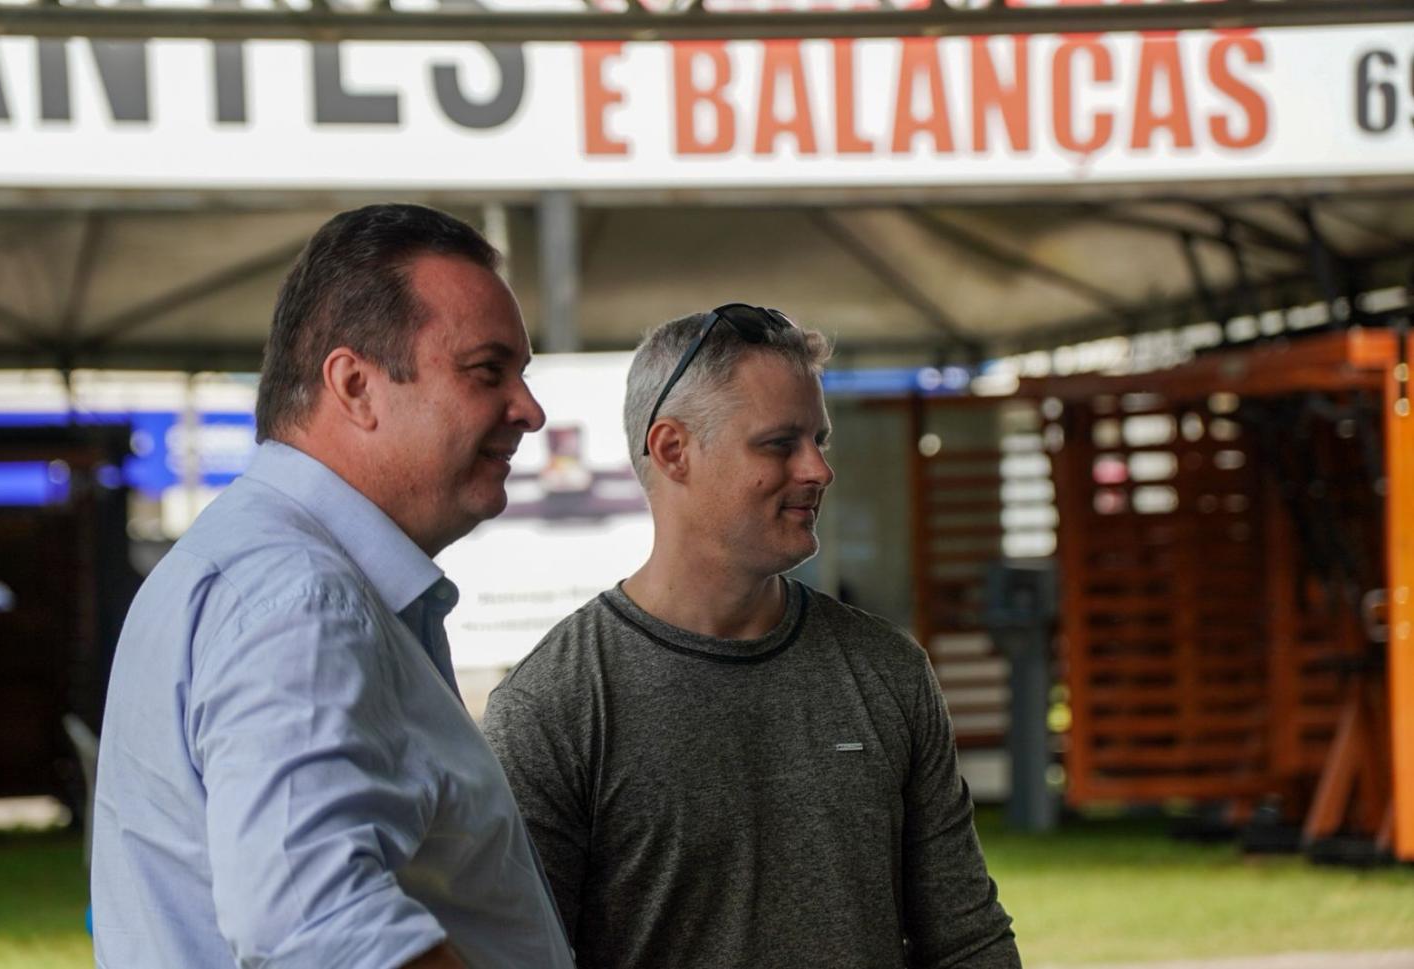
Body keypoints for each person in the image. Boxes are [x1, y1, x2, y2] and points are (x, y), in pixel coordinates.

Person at [91, 204, 574, 969]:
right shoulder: (299, 595)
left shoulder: (269, 568)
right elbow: (317, 927)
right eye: (488, 370)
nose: (530, 409)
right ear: (355, 384)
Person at [482, 304, 1020, 969]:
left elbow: (967, 939)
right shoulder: (554, 706)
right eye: (779, 443)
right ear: (672, 450)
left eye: (819, 439)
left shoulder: (888, 670)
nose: (818, 469)